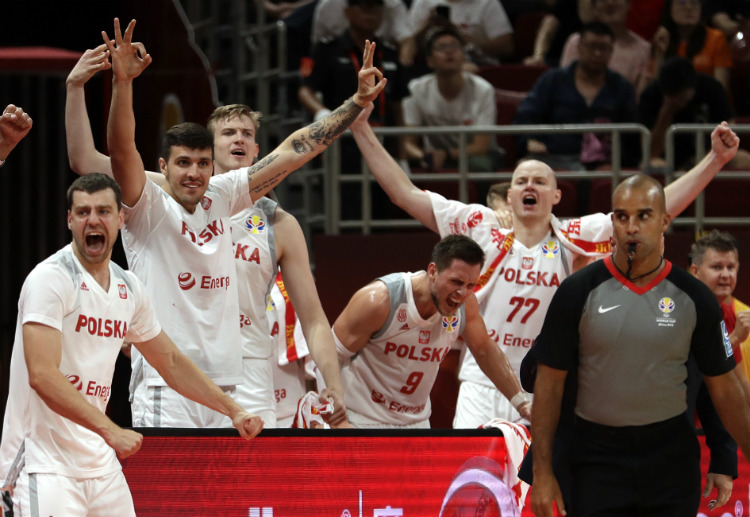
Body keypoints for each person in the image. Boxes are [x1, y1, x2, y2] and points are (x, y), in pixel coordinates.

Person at [350, 99, 742, 427]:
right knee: (475, 489)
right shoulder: (480, 227)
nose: (529, 187)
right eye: (521, 181)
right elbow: (404, 193)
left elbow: (653, 211)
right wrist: (362, 127)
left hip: (547, 383)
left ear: (557, 196)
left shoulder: (576, 236)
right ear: (511, 193)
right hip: (482, 384)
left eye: (540, 181)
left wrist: (714, 160)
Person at [102, 18, 384, 427]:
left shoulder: (250, 206)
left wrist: (355, 104)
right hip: (169, 372)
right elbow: (116, 152)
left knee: (244, 491)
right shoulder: (155, 199)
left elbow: (295, 150)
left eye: (245, 134)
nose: (195, 172)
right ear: (174, 163)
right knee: (174, 490)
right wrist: (115, 86)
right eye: (185, 162)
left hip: (238, 374)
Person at [0, 174, 262, 516]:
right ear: (69, 220)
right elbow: (42, 376)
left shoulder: (129, 287)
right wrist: (112, 431)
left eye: (104, 211)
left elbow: (169, 360)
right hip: (43, 464)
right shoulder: (51, 279)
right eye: (82, 212)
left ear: (121, 219)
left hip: (100, 464)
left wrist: (233, 410)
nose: (93, 220)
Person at [530, 174, 750, 517]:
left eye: (644, 216)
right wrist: (543, 474)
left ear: (664, 221)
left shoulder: (696, 298)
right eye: (621, 216)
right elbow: (547, 387)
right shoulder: (576, 292)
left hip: (670, 460)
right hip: (594, 458)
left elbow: (724, 391)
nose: (631, 227)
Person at [332, 235, 531, 427]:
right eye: (457, 282)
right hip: (362, 419)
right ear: (433, 271)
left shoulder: (465, 305)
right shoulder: (380, 300)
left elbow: (485, 350)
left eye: (471, 285)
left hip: (415, 423)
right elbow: (329, 354)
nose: (463, 293)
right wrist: (337, 419)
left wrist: (522, 403)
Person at [514, 22, 639, 171]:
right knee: (525, 168)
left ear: (611, 50)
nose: (597, 53)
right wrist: (529, 140)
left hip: (603, 161)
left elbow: (632, 133)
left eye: (604, 48)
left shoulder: (622, 87)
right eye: (592, 46)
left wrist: (620, 159)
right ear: (579, 47)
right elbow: (527, 115)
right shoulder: (553, 80)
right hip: (553, 155)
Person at [402, 25, 501, 172]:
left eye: (454, 46)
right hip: (434, 155)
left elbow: (481, 146)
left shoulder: (483, 89)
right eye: (441, 47)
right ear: (429, 61)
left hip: (476, 155)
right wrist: (423, 156)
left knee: (480, 165)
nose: (449, 51)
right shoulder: (416, 89)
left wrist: (447, 154)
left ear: (463, 56)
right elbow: (407, 143)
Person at [639, 56, 750, 169]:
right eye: (672, 95)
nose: (676, 100)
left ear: (692, 86)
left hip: (709, 155)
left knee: (744, 159)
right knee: (650, 164)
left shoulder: (711, 87)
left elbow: (730, 131)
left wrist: (703, 159)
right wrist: (666, 112)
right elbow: (651, 152)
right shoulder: (651, 94)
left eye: (681, 95)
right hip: (669, 159)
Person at [690, 230, 750, 384]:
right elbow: (698, 368)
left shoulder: (728, 313)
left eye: (730, 267)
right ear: (695, 272)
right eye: (717, 267)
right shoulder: (684, 312)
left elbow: (740, 381)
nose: (725, 275)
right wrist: (736, 337)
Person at [560, 0, 652, 96]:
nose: (610, 2)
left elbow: (640, 99)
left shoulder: (643, 48)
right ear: (594, 7)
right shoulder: (577, 41)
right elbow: (563, 86)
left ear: (629, 4)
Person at [652, 0, 734, 94]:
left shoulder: (717, 38)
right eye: (681, 3)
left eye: (694, 3)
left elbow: (721, 89)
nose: (689, 8)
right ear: (669, 8)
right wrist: (659, 54)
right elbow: (654, 93)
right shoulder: (662, 38)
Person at [408, 0, 515, 65]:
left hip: (480, 65)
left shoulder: (487, 3)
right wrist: (427, 27)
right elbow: (407, 48)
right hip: (432, 65)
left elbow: (506, 47)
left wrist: (461, 37)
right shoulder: (423, 2)